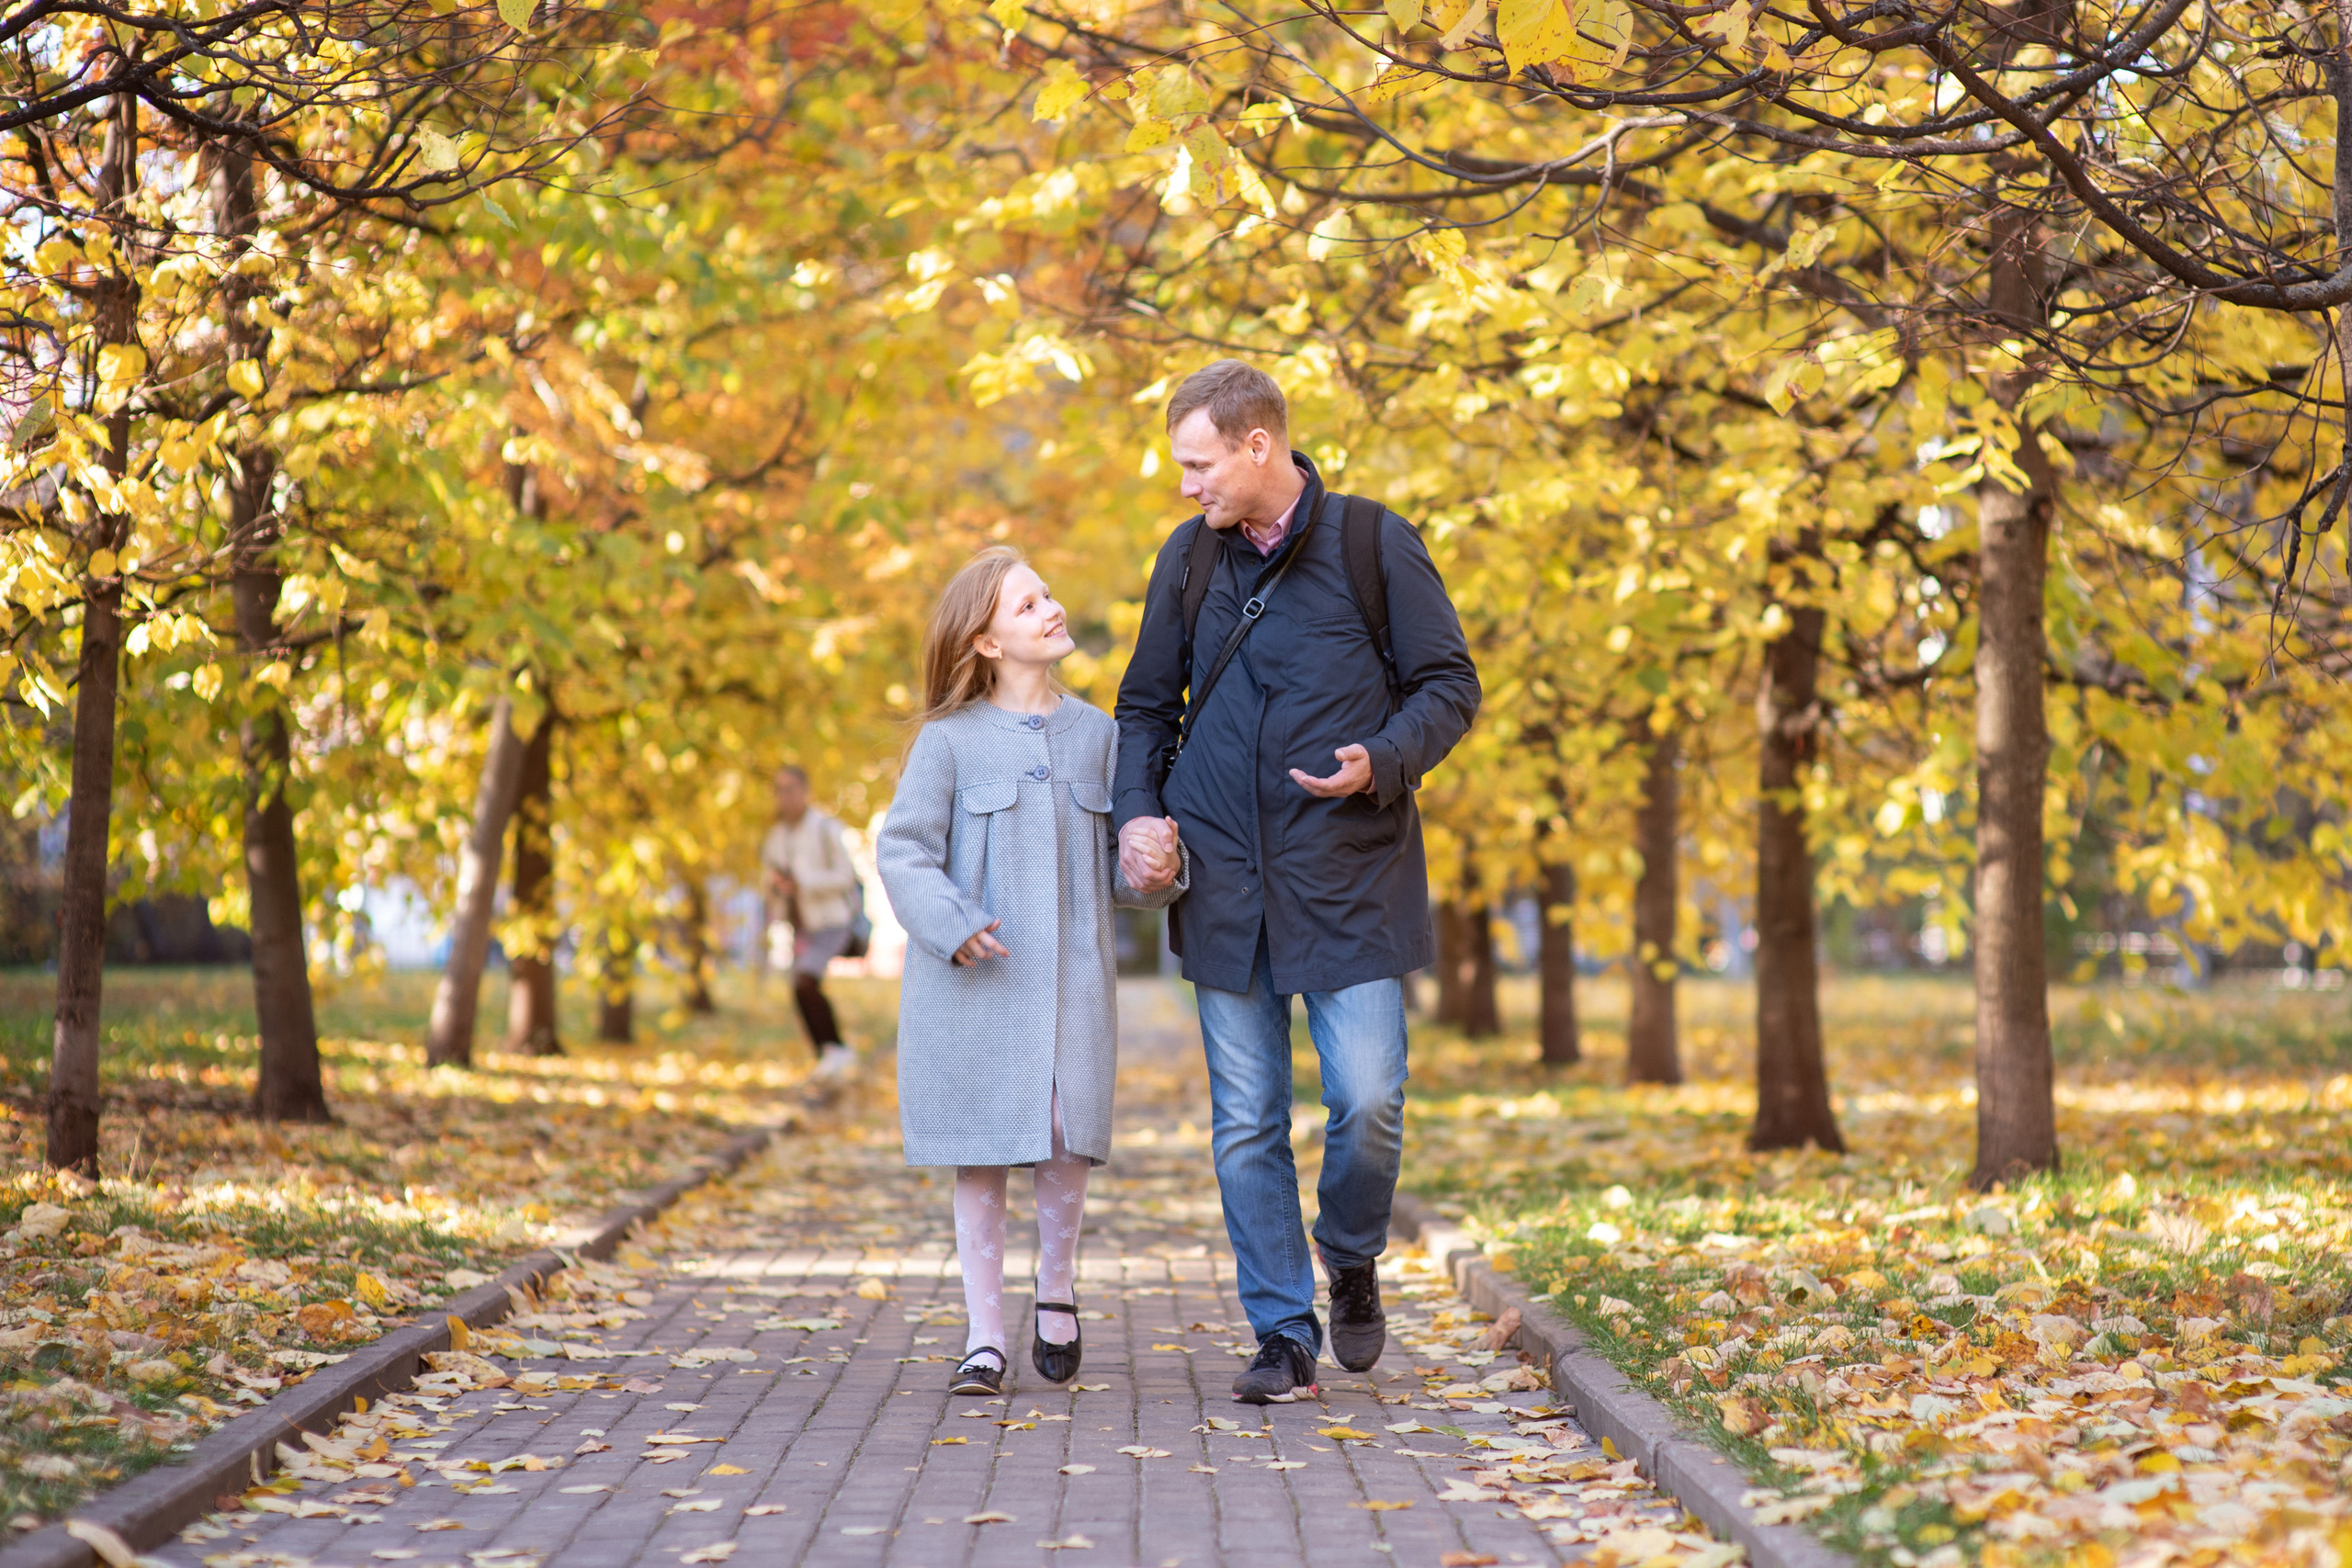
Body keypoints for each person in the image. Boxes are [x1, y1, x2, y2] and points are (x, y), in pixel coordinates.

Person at [1114, 359, 1481, 1404]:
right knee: (1246, 1120)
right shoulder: (1186, 563)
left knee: (1368, 1098)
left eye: (1198, 464)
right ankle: (1282, 1331)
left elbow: (1449, 686)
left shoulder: (1372, 542)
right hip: (1221, 882)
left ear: (1257, 445)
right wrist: (1142, 814)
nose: (1188, 486)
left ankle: (1351, 1253)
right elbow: (1146, 709)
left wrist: (1384, 757)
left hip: (1349, 877)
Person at [877, 546, 1185, 1397]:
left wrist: (1158, 866)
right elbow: (903, 850)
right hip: (978, 981)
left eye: (1048, 594)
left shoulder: (1103, 737)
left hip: (1071, 981)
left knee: (1062, 1133)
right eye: (1026, 604)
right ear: (984, 641)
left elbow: (1126, 865)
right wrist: (952, 921)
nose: (1051, 609)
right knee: (979, 1152)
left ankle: (1057, 1282)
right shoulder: (947, 743)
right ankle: (983, 1335)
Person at [762, 765, 860, 1080]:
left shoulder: (825, 829)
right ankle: (829, 1054)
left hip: (832, 921)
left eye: (790, 789)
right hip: (800, 926)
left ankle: (836, 1050)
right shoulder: (776, 836)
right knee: (800, 986)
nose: (784, 797)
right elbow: (769, 880)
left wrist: (802, 881)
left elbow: (845, 877)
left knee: (805, 979)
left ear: (804, 790)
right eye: (779, 790)